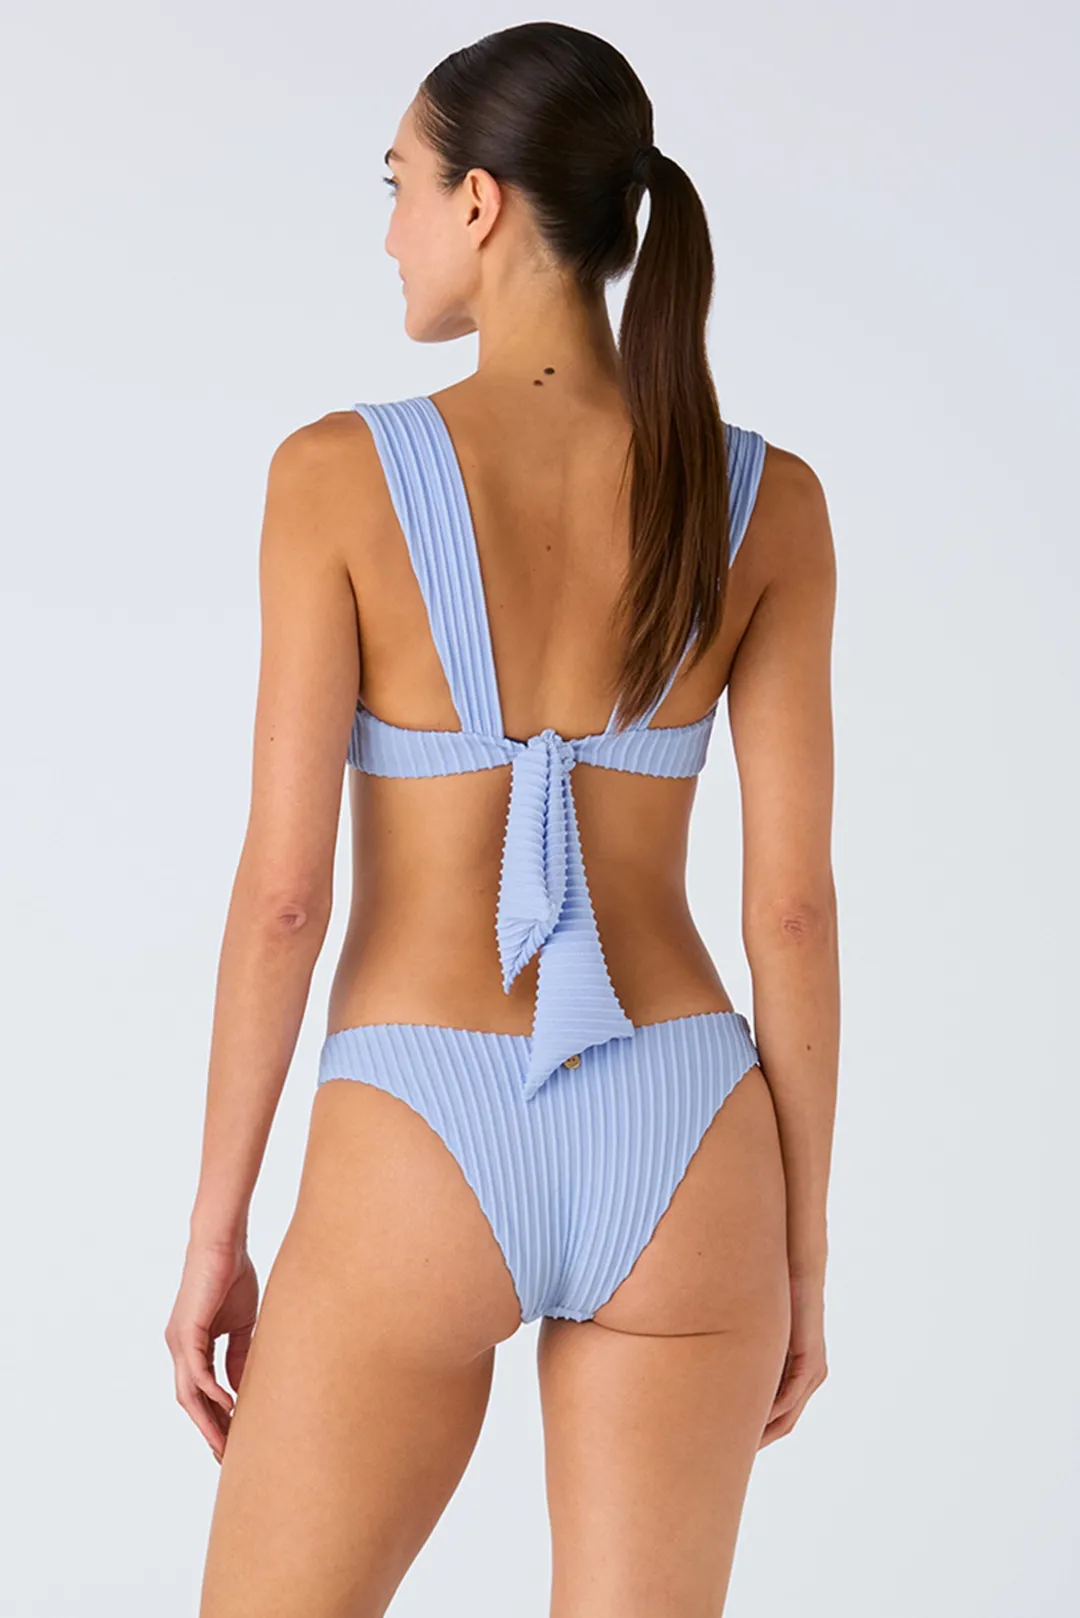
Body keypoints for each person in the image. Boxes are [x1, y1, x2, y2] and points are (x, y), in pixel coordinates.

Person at [166, 20, 839, 1617]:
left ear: (481, 202)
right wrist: (800, 1255)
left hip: (421, 1121)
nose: (390, 230)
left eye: (399, 184)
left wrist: (217, 1228)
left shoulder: (334, 475)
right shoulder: (766, 500)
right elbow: (792, 911)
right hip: (687, 1126)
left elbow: (284, 897)